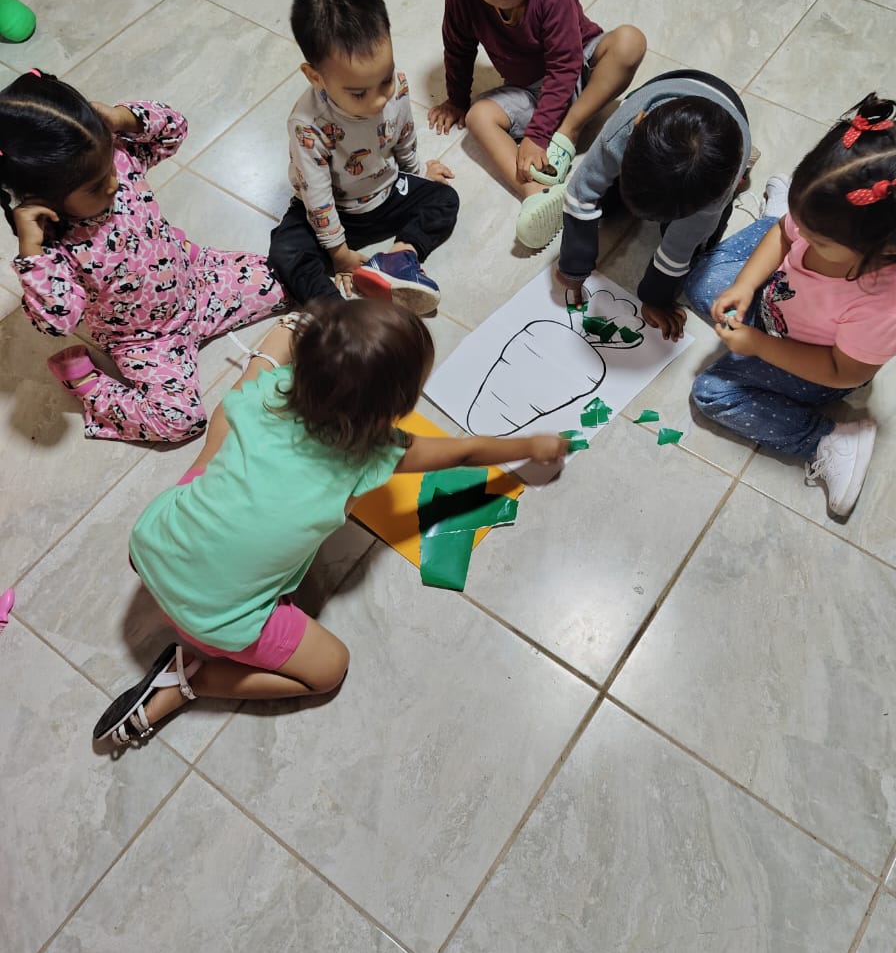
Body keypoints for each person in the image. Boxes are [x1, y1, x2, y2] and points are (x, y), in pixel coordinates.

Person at [94, 300, 570, 746]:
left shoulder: (266, 391)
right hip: (216, 621)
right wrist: (531, 446)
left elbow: (266, 356)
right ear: (395, 409)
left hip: (151, 548)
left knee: (224, 427)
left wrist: (288, 326)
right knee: (329, 670)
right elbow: (462, 453)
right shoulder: (375, 455)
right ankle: (194, 680)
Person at [684, 94, 896, 518]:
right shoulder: (828, 212)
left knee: (712, 393)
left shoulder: (888, 308)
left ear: (886, 246)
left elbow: (841, 371)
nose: (803, 236)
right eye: (801, 217)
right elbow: (784, 235)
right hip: (778, 306)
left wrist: (758, 345)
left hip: (818, 365)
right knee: (702, 282)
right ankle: (774, 212)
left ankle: (827, 440)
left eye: (819, 239)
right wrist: (746, 284)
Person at [2, 70, 288, 443]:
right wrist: (32, 250)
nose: (113, 182)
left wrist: (123, 118)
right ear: (46, 200)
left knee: (286, 278)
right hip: (145, 341)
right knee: (180, 421)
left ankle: (194, 260)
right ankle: (86, 383)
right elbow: (57, 320)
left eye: (108, 164)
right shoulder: (54, 246)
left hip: (197, 284)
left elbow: (174, 129)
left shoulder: (118, 158)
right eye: (96, 186)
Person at [427, 0, 646, 246]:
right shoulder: (461, 1)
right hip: (528, 90)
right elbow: (458, 50)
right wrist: (456, 99)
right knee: (477, 117)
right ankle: (535, 192)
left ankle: (570, 128)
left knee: (630, 42)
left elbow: (565, 65)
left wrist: (539, 135)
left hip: (581, 66)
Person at [267, 0, 458, 315]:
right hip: (334, 212)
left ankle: (399, 259)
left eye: (384, 81)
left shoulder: (397, 86)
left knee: (445, 198)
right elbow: (317, 196)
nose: (379, 100)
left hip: (386, 192)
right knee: (285, 252)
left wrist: (417, 175)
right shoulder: (307, 125)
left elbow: (404, 136)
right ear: (316, 77)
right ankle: (339, 316)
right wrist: (339, 253)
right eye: (358, 93)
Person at [553, 69, 755, 339]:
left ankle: (740, 175)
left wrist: (656, 297)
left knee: (699, 244)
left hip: (731, 125)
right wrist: (573, 267)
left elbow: (679, 248)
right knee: (605, 204)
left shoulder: (717, 189)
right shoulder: (622, 128)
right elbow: (581, 194)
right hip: (662, 87)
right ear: (637, 123)